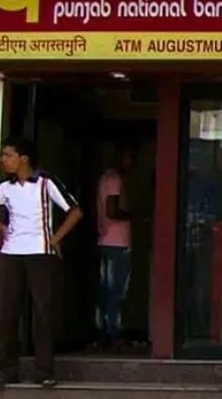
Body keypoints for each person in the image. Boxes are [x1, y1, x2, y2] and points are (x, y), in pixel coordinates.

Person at [0, 137, 83, 389]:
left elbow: (75, 211)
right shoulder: (5, 187)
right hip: (11, 253)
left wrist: (55, 238)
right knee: (8, 312)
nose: (4, 160)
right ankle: (6, 370)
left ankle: (44, 371)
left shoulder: (46, 183)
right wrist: (0, 226)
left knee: (43, 312)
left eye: (8, 155)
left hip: (40, 253)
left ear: (24, 159)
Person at [95, 147, 134, 350]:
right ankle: (112, 333)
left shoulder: (106, 178)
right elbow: (112, 210)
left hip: (108, 241)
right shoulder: (114, 180)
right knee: (115, 290)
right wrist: (134, 215)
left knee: (108, 289)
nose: (131, 163)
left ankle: (105, 331)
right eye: (129, 157)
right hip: (115, 242)